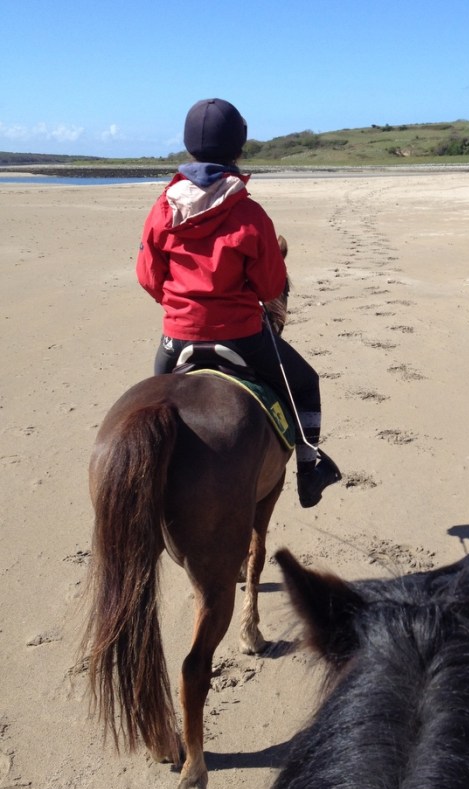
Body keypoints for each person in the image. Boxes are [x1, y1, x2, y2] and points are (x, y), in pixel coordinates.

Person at [136, 98, 341, 508]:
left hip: (177, 338)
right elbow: (270, 287)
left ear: (189, 146)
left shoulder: (163, 208)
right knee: (305, 384)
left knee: (148, 401)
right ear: (238, 148)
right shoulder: (249, 213)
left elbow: (147, 276)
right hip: (243, 336)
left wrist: (180, 308)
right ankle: (308, 467)